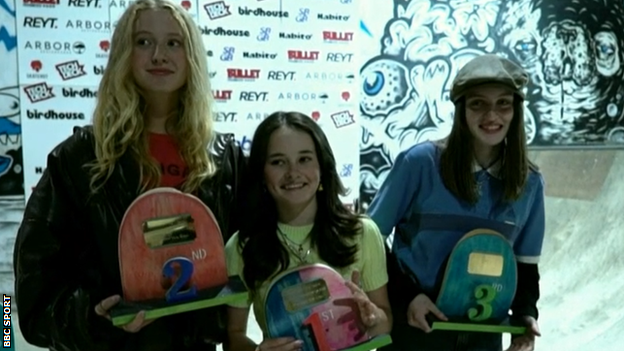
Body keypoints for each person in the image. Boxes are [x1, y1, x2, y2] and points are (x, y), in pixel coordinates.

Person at [13, 0, 246, 350]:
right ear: (124, 52)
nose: (158, 55)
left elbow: (266, 252)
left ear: (192, 57)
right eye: (143, 42)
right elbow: (32, 298)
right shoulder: (77, 158)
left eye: (173, 43)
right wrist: (95, 319)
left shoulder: (222, 158)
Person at [367, 54, 545, 351]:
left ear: (516, 110)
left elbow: (525, 265)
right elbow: (369, 240)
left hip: (483, 338)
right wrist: (408, 296)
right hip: (416, 332)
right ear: (461, 109)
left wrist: (526, 314)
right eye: (478, 104)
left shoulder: (529, 183)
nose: (492, 116)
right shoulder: (419, 164)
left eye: (503, 103)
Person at [223, 112, 393, 351]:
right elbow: (233, 335)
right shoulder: (242, 246)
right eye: (278, 162)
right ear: (261, 173)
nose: (293, 172)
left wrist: (373, 318)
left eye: (304, 159)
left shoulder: (362, 232)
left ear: (322, 166)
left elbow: (385, 322)